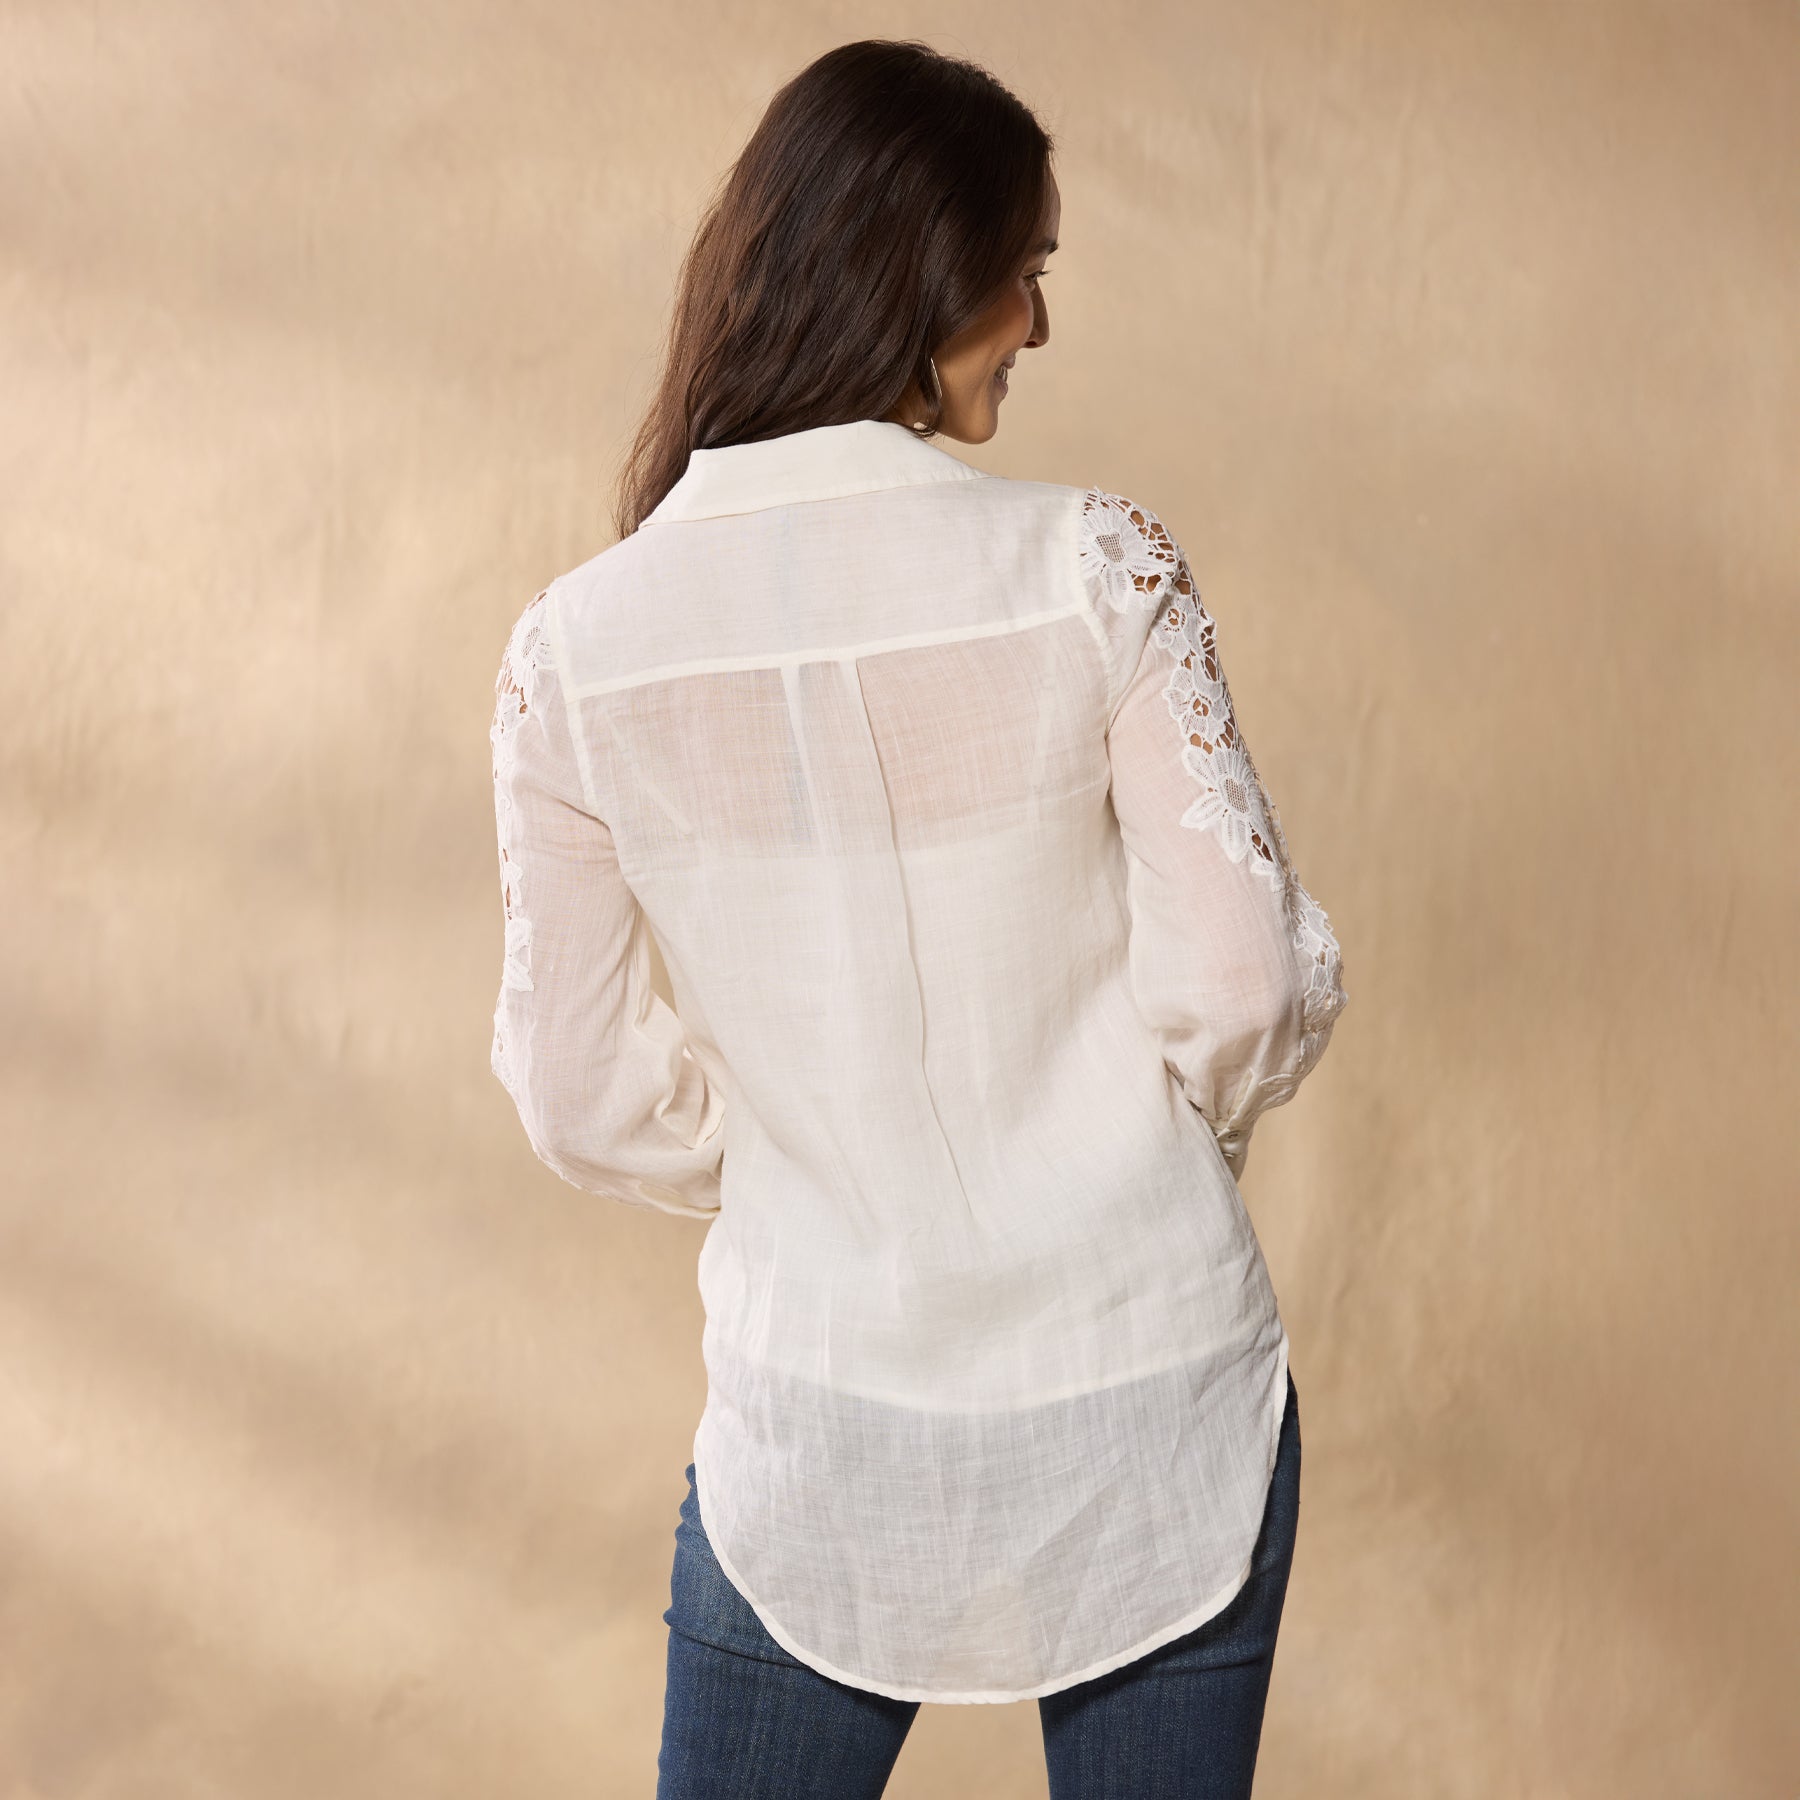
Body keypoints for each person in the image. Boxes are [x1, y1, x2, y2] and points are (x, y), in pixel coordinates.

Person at [487, 36, 1347, 1800]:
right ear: (921, 276)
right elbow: (1246, 983)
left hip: (823, 1412)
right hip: (1151, 1372)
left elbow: (577, 1092)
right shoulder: (1097, 568)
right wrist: (1131, 1137)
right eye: (1024, 274)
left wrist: (805, 1160)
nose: (1040, 325)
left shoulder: (577, 650)